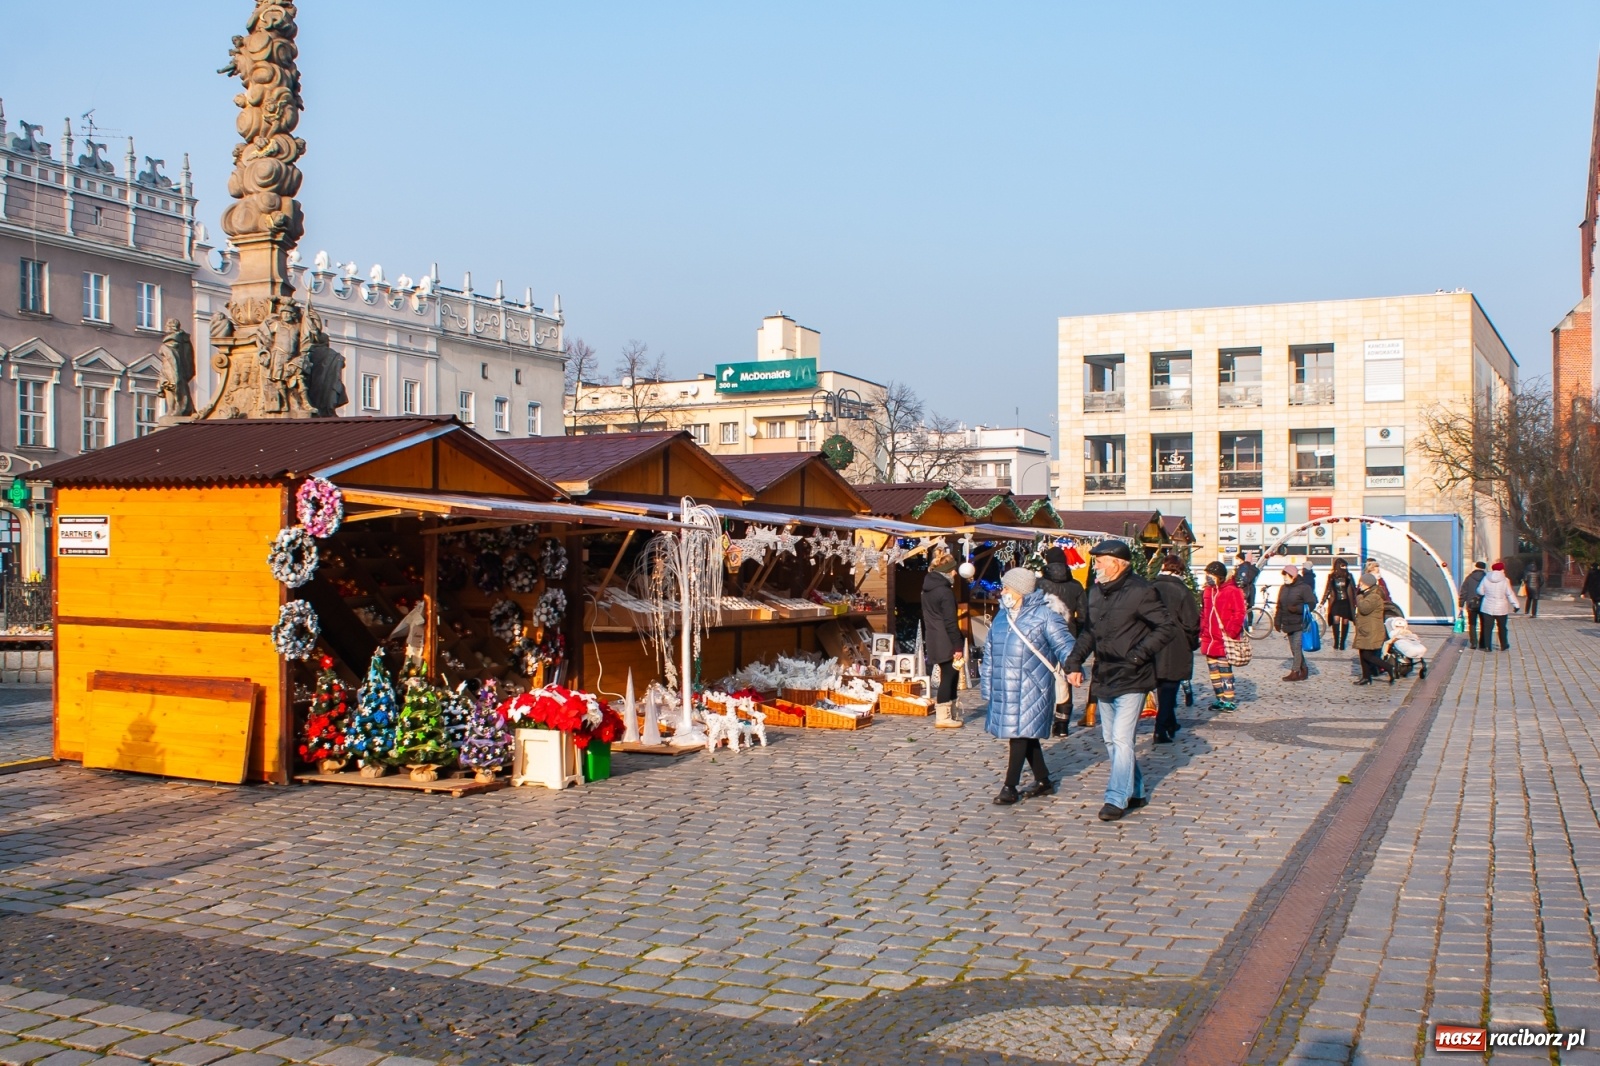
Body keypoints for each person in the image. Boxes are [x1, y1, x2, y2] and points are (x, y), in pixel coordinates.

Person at [1064, 540, 1179, 822]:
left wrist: (1138, 655)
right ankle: (1136, 789)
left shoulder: (1141, 591)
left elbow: (1166, 627)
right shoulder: (1095, 592)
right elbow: (1089, 633)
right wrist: (1074, 660)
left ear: (1118, 563)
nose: (1096, 565)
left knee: (1121, 738)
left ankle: (1116, 798)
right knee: (1110, 739)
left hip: (1133, 675)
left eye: (1100, 560)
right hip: (1105, 674)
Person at [981, 568, 1075, 805]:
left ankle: (1009, 786)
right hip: (1006, 686)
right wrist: (987, 686)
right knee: (1026, 733)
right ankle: (1043, 780)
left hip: (1032, 686)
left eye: (1006, 588)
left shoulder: (1045, 616)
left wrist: (1074, 668)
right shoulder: (1002, 617)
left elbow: (1065, 645)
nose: (1002, 592)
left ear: (1021, 590)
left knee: (1019, 735)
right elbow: (990, 653)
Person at [1150, 555, 1200, 743]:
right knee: (1170, 687)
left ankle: (1170, 723)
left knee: (1162, 687)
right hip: (1175, 643)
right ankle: (1161, 728)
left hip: (1152, 641)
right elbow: (1191, 623)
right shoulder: (1182, 591)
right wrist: (1192, 642)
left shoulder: (1151, 587)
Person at [1037, 546, 1087, 736]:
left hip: (1042, 636)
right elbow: (1083, 615)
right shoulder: (1075, 586)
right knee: (1066, 677)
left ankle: (1042, 717)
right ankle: (1062, 724)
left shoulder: (1038, 584)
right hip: (1068, 635)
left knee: (1042, 676)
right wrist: (1078, 635)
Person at [921, 551, 965, 729]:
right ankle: (943, 716)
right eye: (953, 570)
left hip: (933, 637)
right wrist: (957, 645)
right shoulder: (945, 592)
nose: (955, 573)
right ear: (947, 571)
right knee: (949, 676)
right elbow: (950, 621)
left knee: (951, 674)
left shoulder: (926, 589)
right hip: (946, 638)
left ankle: (950, 713)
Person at [1200, 561, 1247, 711]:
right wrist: (1203, 631)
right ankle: (1219, 698)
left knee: (1225, 671)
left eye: (1210, 575)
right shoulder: (1208, 591)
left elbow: (1239, 613)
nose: (1208, 578)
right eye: (1207, 574)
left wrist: (1231, 631)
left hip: (1224, 638)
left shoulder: (1232, 590)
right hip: (1209, 638)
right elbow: (1204, 613)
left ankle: (1229, 699)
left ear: (1219, 576)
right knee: (1213, 672)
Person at [1274, 564, 1318, 681]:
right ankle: (1304, 668)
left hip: (1300, 622)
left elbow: (1311, 604)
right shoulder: (1283, 588)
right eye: (1283, 576)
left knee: (1297, 647)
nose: (1284, 578)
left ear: (1293, 576)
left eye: (1286, 576)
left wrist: (1297, 608)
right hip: (1288, 623)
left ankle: (1295, 671)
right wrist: (1277, 621)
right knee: (1293, 649)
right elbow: (1279, 606)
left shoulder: (1304, 588)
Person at [1353, 573, 1392, 684]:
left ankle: (1389, 667)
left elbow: (1364, 608)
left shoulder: (1374, 595)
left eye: (1361, 583)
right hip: (1366, 629)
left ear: (1367, 584)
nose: (1359, 584)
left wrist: (1359, 597)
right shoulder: (1368, 593)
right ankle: (1366, 677)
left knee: (1367, 655)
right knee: (1362, 653)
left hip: (1371, 630)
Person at [1478, 562, 1519, 650]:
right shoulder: (1505, 580)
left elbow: (1480, 591)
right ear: (1502, 569)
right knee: (1502, 627)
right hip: (1501, 607)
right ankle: (1504, 645)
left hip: (1487, 606)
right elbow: (1509, 593)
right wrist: (1516, 605)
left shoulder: (1486, 578)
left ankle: (1487, 646)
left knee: (1487, 627)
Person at [1320, 558, 1357, 651]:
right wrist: (1322, 602)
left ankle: (1342, 643)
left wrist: (1356, 602)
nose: (1344, 568)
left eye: (1345, 566)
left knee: (1345, 621)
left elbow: (1354, 589)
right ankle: (1336, 641)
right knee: (1335, 619)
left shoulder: (1349, 576)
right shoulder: (1332, 576)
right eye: (1343, 566)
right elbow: (1328, 589)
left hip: (1346, 601)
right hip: (1336, 601)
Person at [1458, 561, 1488, 649]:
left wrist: (1461, 604)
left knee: (1472, 623)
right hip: (1484, 604)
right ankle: (1483, 643)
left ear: (1476, 567)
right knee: (1484, 623)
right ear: (1484, 568)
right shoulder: (1486, 578)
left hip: (1471, 604)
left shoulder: (1469, 578)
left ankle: (1473, 643)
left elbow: (1464, 591)